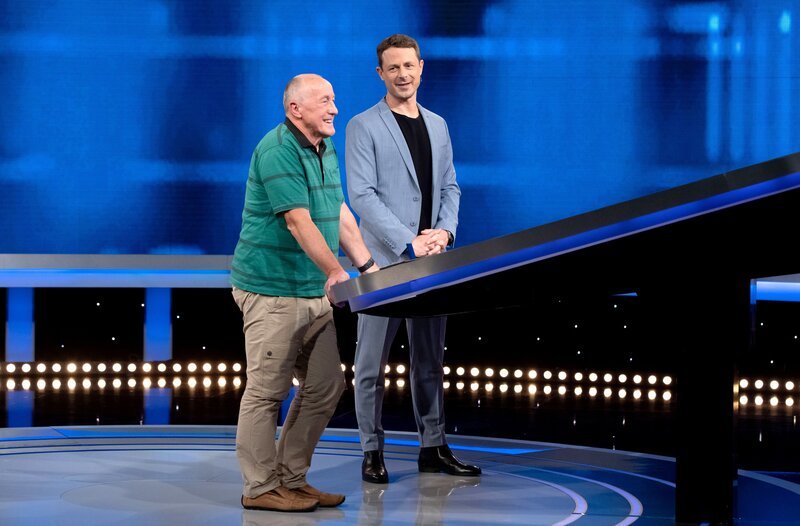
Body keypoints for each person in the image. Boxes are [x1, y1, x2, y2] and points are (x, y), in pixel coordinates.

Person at [230, 74, 378, 512]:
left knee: (325, 385)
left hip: (312, 291)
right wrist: (336, 269)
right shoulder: (278, 150)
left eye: (335, 99)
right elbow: (298, 221)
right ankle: (259, 488)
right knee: (266, 392)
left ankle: (291, 478)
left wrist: (368, 268)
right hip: (271, 291)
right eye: (325, 101)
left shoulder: (324, 147)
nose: (335, 108)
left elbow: (338, 212)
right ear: (296, 109)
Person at [345, 34, 481, 484]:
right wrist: (409, 241)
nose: (403, 75)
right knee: (371, 366)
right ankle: (371, 450)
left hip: (432, 262)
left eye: (409, 66)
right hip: (384, 263)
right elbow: (361, 195)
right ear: (380, 74)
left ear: (421, 67)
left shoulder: (438, 124)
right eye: (393, 68)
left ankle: (433, 446)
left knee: (429, 362)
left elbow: (451, 187)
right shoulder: (363, 125)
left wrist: (445, 231)